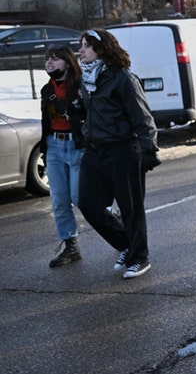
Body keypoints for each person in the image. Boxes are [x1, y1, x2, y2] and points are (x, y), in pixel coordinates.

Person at [75, 28, 159, 279]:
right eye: (81, 45)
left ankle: (139, 258)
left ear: (102, 49)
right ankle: (126, 244)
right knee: (88, 204)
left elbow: (142, 117)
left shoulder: (123, 78)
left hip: (123, 150)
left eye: (87, 46)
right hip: (94, 151)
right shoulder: (87, 78)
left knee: (130, 208)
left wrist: (148, 150)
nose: (81, 50)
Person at [41, 45, 85, 267]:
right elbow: (45, 121)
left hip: (76, 146)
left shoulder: (80, 87)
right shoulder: (46, 90)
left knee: (80, 198)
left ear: (67, 62)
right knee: (59, 200)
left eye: (55, 59)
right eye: (47, 59)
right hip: (54, 147)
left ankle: (111, 220)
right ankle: (70, 245)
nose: (49, 63)